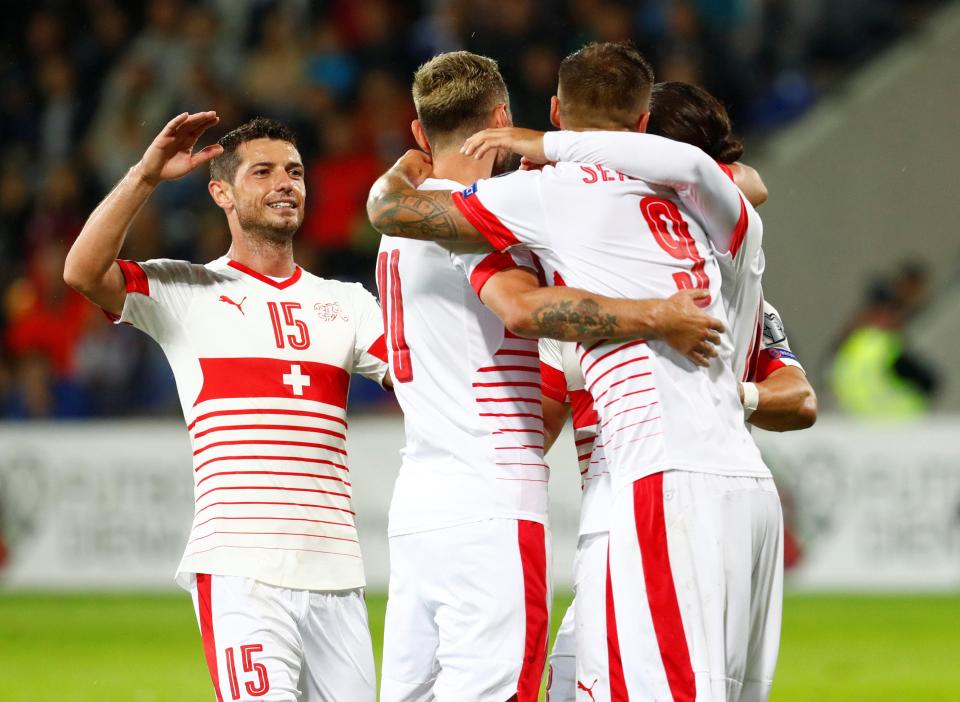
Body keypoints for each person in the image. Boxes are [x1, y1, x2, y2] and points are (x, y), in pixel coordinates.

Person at [367, 42, 781, 702]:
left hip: (620, 477)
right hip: (731, 478)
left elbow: (391, 215)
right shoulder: (718, 209)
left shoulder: (529, 201)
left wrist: (401, 171)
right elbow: (727, 176)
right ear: (642, 124)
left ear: (555, 112)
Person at [64, 113, 388, 702]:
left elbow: (420, 373)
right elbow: (82, 271)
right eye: (262, 172)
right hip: (242, 571)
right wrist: (146, 176)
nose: (283, 183)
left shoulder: (347, 303)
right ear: (221, 192)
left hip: (337, 575)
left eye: (294, 171)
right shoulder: (185, 290)